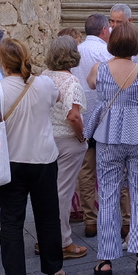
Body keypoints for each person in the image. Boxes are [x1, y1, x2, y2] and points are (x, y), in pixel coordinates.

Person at [0, 38, 64, 275]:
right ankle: (53, 270)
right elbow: (57, 98)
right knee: (48, 217)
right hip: (44, 160)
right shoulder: (44, 84)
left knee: (11, 221)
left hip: (12, 162)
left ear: (3, 62)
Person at [85, 22, 138, 275]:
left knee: (108, 194)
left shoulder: (99, 68)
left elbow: (92, 85)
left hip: (109, 135)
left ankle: (105, 258)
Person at [42, 37, 89, 260]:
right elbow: (73, 116)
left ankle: (45, 239)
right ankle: (62, 241)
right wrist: (81, 136)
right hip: (67, 141)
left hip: (46, 139)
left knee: (47, 192)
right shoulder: (71, 82)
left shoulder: (43, 76)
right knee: (63, 193)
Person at [73, 14, 110, 238]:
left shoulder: (76, 51)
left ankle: (90, 219)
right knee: (109, 169)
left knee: (86, 172)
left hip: (83, 119)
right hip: (105, 119)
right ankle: (112, 215)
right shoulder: (107, 53)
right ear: (104, 30)